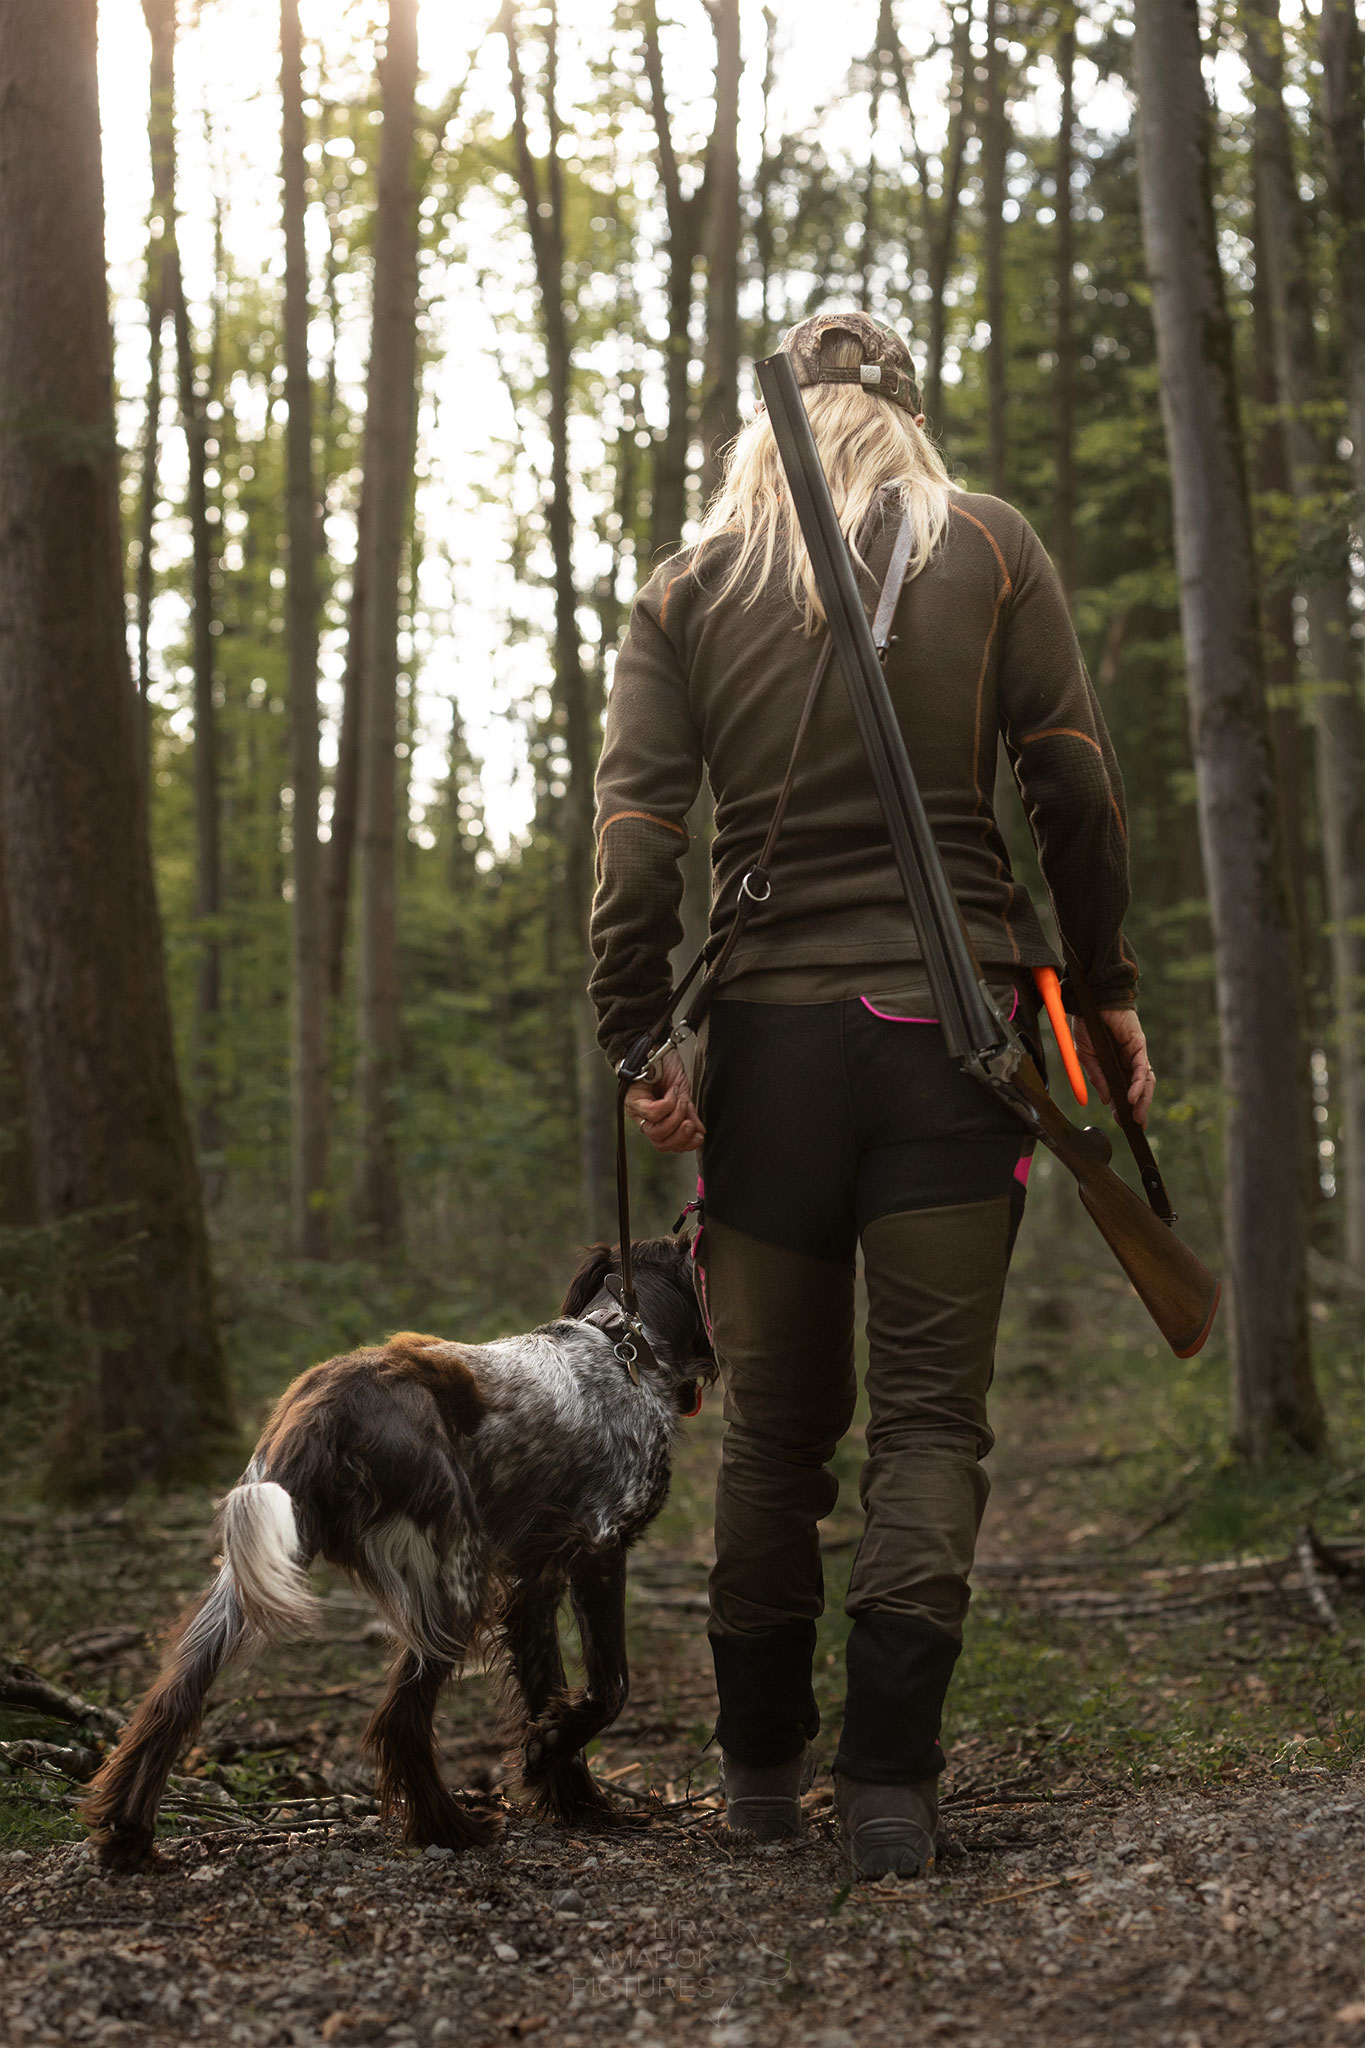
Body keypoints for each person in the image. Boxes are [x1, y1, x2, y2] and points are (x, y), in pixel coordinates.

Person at [588, 310, 1152, 1879]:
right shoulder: (992, 545)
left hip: (762, 1050)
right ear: (904, 416)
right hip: (950, 1038)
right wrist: (1100, 994)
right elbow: (1076, 789)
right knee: (927, 1428)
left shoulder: (691, 585)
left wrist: (641, 1036)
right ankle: (891, 1791)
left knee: (773, 1435)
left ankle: (762, 1776)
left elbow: (638, 835)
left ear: (769, 430)